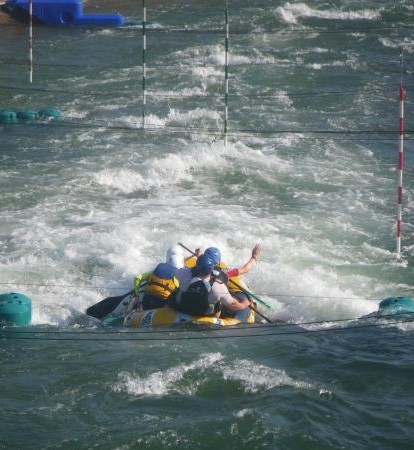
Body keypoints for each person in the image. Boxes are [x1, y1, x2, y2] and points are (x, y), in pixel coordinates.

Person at [169, 253, 252, 317]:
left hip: (183, 308)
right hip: (205, 313)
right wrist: (244, 304)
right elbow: (233, 305)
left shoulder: (184, 273)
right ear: (212, 269)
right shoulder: (218, 286)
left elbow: (176, 269)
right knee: (233, 301)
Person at [131, 245, 191, 311]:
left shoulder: (156, 269)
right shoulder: (179, 275)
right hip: (162, 304)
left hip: (146, 301)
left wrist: (136, 296)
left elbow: (137, 278)